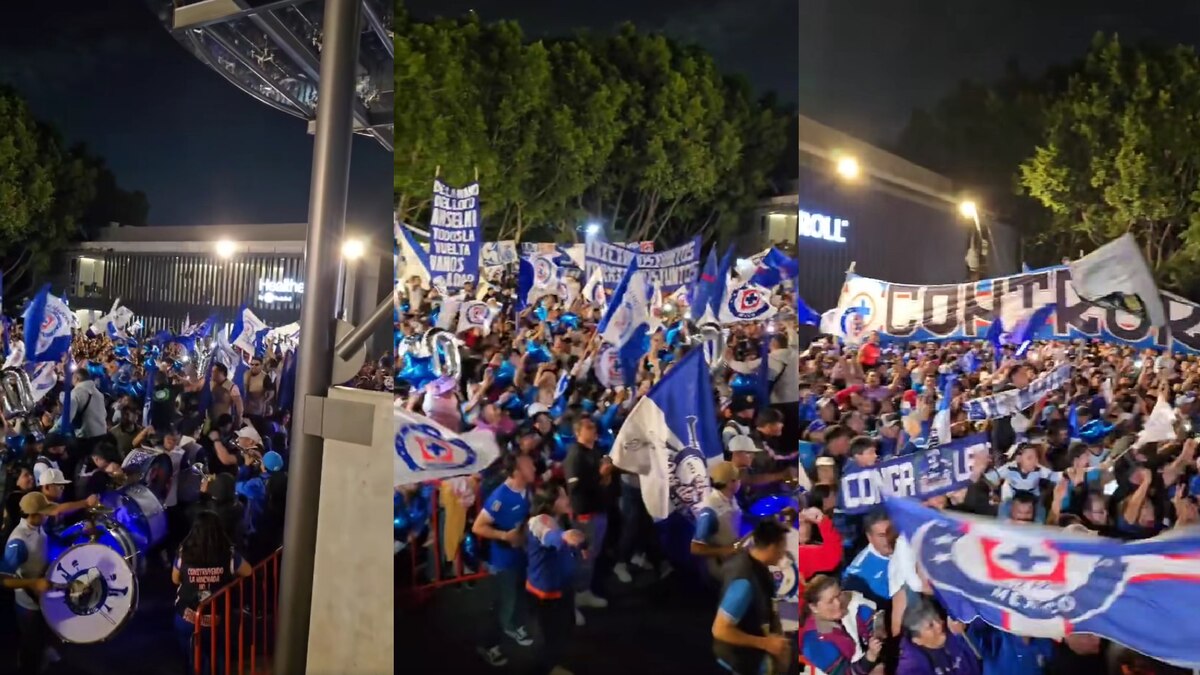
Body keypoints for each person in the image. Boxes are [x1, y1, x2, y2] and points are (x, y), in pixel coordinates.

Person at [4, 492, 93, 674]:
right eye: (45, 512)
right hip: (28, 606)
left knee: (42, 635)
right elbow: (3, 578)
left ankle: (42, 653)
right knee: (31, 645)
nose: (49, 515)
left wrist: (79, 532)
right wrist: (33, 583)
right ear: (34, 514)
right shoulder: (18, 542)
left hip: (43, 597)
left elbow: (52, 542)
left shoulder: (38, 527)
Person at [471, 452, 535, 667]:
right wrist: (504, 536)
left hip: (521, 556)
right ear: (516, 471)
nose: (534, 468)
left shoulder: (528, 489)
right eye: (528, 466)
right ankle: (488, 645)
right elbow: (478, 526)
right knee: (503, 603)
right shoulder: (500, 497)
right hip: (503, 561)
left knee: (516, 597)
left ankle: (512, 626)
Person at [173, 510, 253, 675]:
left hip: (187, 617)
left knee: (192, 659)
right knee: (218, 657)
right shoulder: (229, 554)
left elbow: (175, 579)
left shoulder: (184, 552)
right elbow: (248, 572)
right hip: (217, 619)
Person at [711, 519, 793, 675]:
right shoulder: (745, 581)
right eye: (783, 547)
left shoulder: (752, 561)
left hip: (752, 645)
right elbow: (720, 629)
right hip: (737, 660)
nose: (784, 554)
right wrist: (766, 643)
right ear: (773, 547)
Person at [524, 481, 586, 675]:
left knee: (564, 627)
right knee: (549, 635)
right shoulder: (538, 521)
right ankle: (545, 669)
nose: (567, 499)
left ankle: (552, 664)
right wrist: (563, 538)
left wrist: (576, 550)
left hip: (562, 586)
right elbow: (549, 535)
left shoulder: (560, 517)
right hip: (546, 593)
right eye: (562, 496)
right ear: (550, 502)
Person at [562, 416, 611, 621]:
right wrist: (600, 475)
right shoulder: (575, 455)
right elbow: (575, 487)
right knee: (581, 558)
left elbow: (603, 482)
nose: (594, 429)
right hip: (585, 516)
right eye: (588, 427)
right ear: (578, 433)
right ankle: (571, 602)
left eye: (594, 426)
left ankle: (584, 592)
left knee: (591, 556)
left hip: (598, 512)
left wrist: (605, 476)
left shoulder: (595, 451)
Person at [800, 574, 884, 675]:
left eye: (838, 595)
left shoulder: (851, 607)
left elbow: (876, 628)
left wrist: (877, 632)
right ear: (814, 607)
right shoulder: (814, 643)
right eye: (830, 601)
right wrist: (870, 657)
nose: (838, 603)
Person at [896, 599, 980, 675]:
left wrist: (963, 634)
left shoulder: (955, 631)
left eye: (937, 618)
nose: (939, 624)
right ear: (917, 640)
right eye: (931, 625)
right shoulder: (911, 667)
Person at [691, 461, 743, 581]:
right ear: (730, 483)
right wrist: (726, 550)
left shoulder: (731, 498)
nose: (740, 482)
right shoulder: (710, 509)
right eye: (737, 479)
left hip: (734, 555)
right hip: (720, 566)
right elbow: (695, 548)